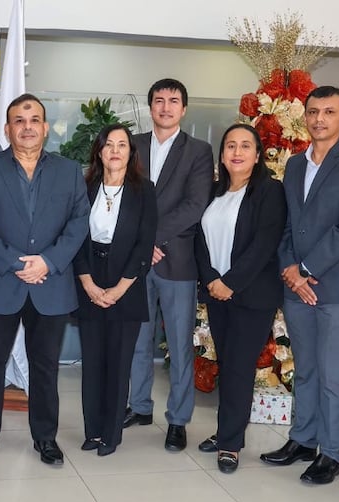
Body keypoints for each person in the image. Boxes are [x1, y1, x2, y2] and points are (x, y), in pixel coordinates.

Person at [260, 86, 339, 484]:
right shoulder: (295, 164)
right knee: (305, 369)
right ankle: (302, 439)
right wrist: (290, 269)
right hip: (297, 286)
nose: (319, 119)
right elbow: (288, 225)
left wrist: (307, 267)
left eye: (329, 112)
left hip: (336, 286)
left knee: (332, 374)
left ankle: (331, 452)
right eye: (313, 112)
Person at [0, 93, 89, 465]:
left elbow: (79, 221)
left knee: (45, 367)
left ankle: (45, 438)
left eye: (34, 119)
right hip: (0, 281)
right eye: (19, 120)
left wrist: (47, 262)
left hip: (50, 284)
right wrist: (17, 263)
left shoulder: (69, 171)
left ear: (46, 128)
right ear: (8, 129)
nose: (27, 126)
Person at [124, 78, 213, 452]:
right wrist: (141, 244)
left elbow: (195, 205)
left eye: (173, 101)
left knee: (178, 345)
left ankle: (178, 420)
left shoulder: (198, 151)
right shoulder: (133, 146)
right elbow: (122, 197)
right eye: (158, 100)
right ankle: (140, 406)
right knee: (137, 340)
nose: (165, 107)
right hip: (137, 262)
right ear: (150, 107)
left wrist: (152, 239)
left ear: (184, 109)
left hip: (177, 261)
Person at [194, 124, 287, 473]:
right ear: (221, 154)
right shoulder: (213, 193)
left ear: (258, 154)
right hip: (217, 293)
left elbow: (264, 244)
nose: (237, 151)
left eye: (245, 146)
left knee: (239, 367)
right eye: (230, 145)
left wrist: (230, 282)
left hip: (251, 294)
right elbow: (198, 241)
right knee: (227, 363)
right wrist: (212, 279)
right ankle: (225, 431)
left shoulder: (269, 191)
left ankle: (230, 443)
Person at [75, 124, 157, 457]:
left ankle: (111, 434)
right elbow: (75, 237)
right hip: (90, 278)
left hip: (127, 283)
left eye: (122, 145)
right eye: (109, 144)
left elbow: (144, 244)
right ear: (99, 151)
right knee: (92, 362)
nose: (115, 150)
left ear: (130, 153)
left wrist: (119, 289)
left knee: (119, 362)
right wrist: (88, 284)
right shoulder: (84, 186)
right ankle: (92, 431)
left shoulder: (144, 191)